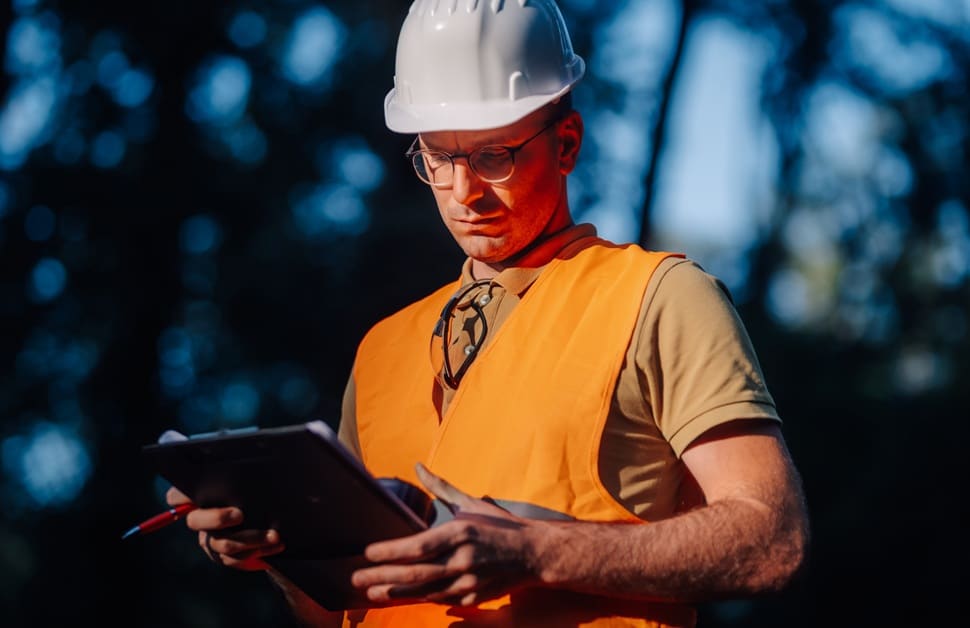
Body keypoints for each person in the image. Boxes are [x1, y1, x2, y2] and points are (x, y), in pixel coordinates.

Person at [166, 1, 810, 626]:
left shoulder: (658, 297)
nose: (463, 192)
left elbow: (771, 538)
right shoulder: (383, 350)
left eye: (493, 155)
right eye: (437, 158)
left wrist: (535, 554)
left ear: (566, 143)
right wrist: (278, 550)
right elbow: (337, 610)